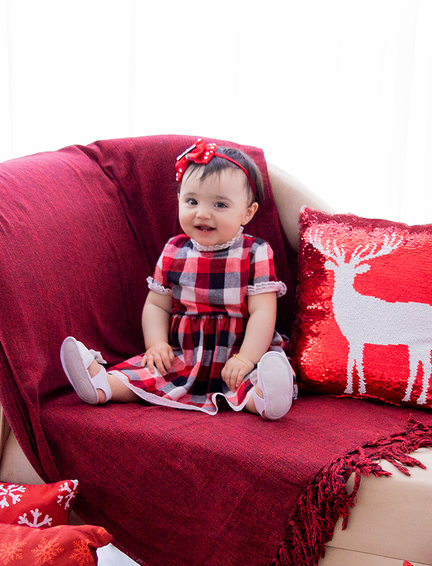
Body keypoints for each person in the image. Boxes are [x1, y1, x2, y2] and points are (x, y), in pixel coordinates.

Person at [59, 139, 295, 420]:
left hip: (239, 351)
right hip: (187, 353)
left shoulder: (255, 251)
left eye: (220, 204)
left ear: (248, 212)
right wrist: (156, 344)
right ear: (180, 199)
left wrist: (247, 358)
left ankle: (265, 399)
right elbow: (157, 305)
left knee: (248, 380)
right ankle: (102, 385)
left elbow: (263, 312)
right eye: (192, 201)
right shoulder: (174, 250)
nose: (202, 213)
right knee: (154, 371)